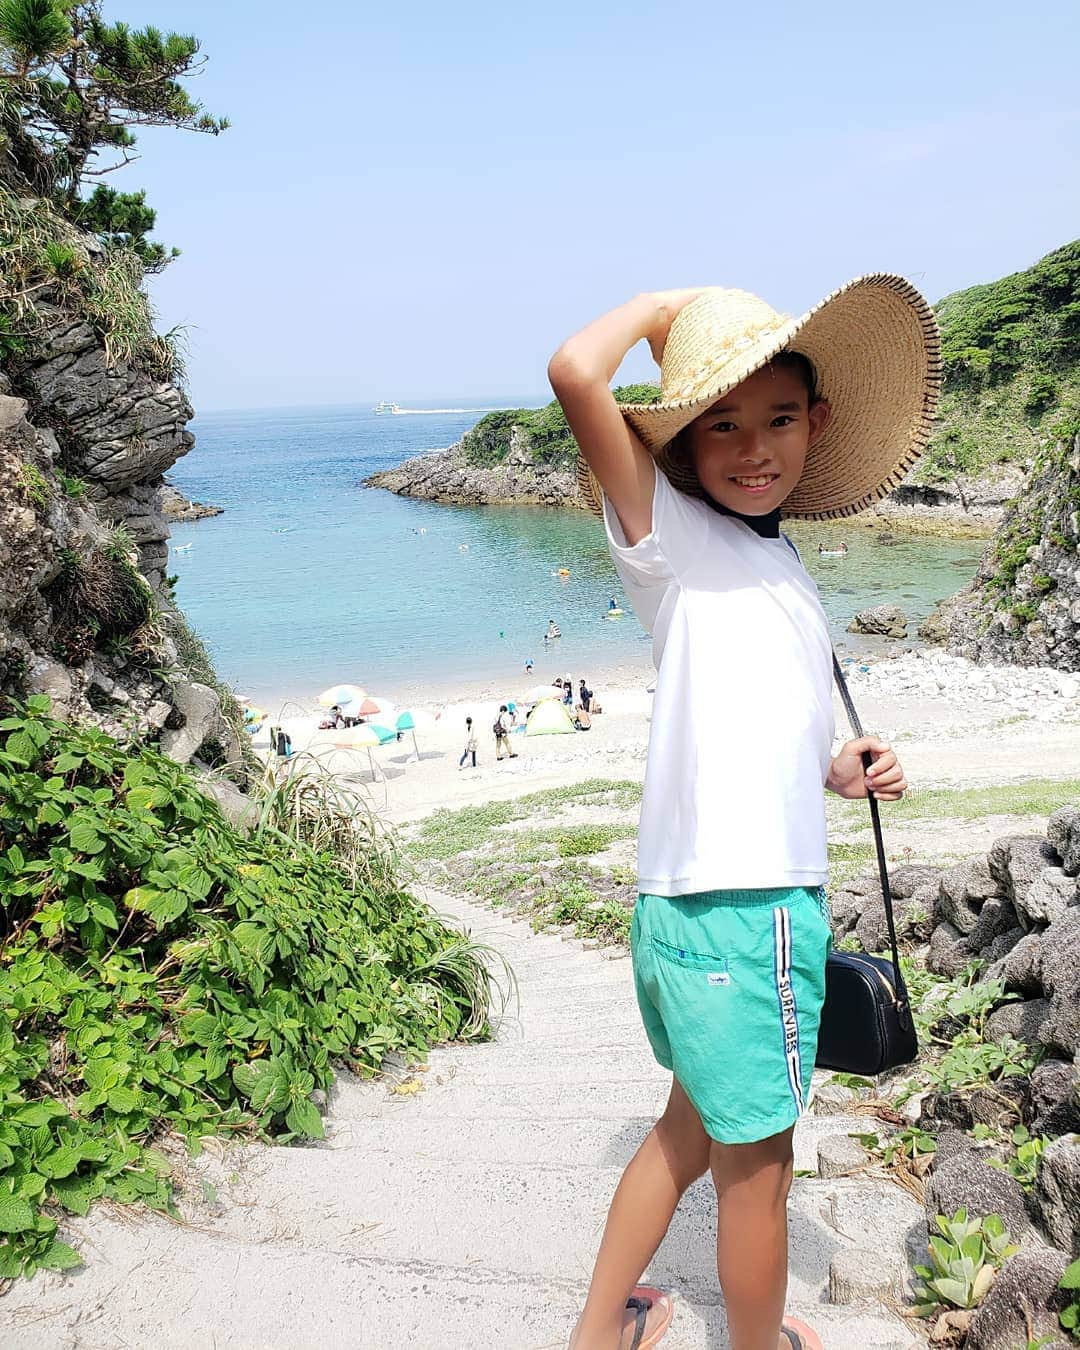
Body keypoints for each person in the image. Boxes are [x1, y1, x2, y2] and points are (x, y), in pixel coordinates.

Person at [549, 279, 928, 1350]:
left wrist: (842, 767)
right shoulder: (668, 538)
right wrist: (661, 307)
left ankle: (601, 1328)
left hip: (705, 904)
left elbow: (772, 731)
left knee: (686, 1131)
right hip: (741, 909)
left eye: (776, 418)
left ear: (819, 422)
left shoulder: (777, 563)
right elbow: (578, 372)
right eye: (720, 423)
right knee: (759, 1175)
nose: (752, 447)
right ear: (682, 442)